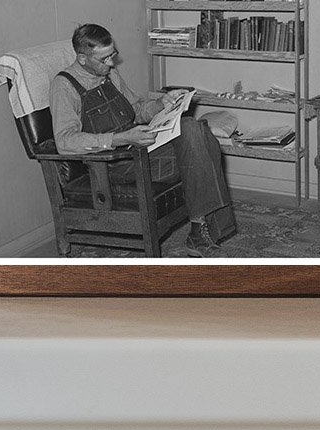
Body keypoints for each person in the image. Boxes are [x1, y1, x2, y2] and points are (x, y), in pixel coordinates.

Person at [50, 23, 233, 257]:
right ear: (83, 59)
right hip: (114, 164)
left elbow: (136, 110)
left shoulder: (109, 75)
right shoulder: (63, 87)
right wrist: (120, 138)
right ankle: (202, 231)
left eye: (112, 55)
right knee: (202, 145)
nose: (112, 63)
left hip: (139, 149)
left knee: (194, 128)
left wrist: (162, 104)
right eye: (104, 59)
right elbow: (65, 141)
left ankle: (199, 228)